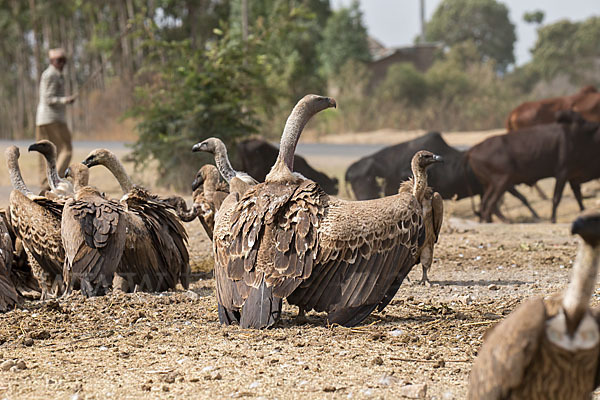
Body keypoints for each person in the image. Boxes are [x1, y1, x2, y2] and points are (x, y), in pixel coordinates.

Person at [35, 47, 76, 190]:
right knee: (66, 149)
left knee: (44, 153)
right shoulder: (51, 74)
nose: (61, 63)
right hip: (53, 119)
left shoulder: (56, 74)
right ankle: (53, 182)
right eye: (58, 60)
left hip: (43, 119)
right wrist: (65, 100)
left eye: (63, 60)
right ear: (52, 61)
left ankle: (45, 187)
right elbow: (48, 98)